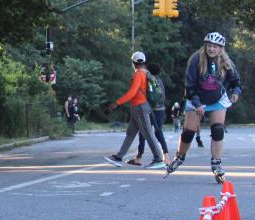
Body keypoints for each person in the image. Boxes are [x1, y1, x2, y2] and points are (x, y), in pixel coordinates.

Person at [165, 32, 241, 183]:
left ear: (221, 49)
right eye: (209, 46)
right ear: (205, 46)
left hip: (217, 99)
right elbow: (189, 85)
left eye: (215, 47)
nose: (211, 49)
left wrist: (235, 92)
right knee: (189, 132)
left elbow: (236, 81)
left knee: (218, 129)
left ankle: (217, 163)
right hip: (196, 98)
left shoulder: (226, 61)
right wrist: (197, 103)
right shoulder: (196, 59)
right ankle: (179, 157)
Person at [103, 52, 165, 169]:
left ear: (133, 63)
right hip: (138, 108)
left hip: (140, 107)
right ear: (144, 62)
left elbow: (132, 93)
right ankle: (119, 157)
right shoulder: (146, 73)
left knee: (148, 133)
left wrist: (117, 103)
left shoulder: (139, 74)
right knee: (130, 133)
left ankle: (158, 159)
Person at [127, 63, 170, 166]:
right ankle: (166, 156)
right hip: (161, 109)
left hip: (151, 110)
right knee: (158, 132)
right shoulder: (159, 81)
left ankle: (139, 157)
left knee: (143, 132)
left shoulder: (149, 80)